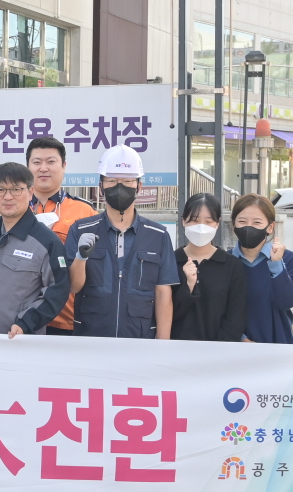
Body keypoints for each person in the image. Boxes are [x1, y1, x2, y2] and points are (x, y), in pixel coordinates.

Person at [64, 145, 179, 339]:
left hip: (140, 338)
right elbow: (73, 287)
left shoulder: (158, 235)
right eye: (111, 181)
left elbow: (162, 293)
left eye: (127, 181)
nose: (119, 187)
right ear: (101, 186)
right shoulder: (81, 229)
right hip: (91, 338)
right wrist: (81, 257)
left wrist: (162, 343)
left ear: (139, 186)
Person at [0, 163, 70, 337]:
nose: (8, 197)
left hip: (17, 339)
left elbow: (57, 290)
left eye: (16, 189)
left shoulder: (46, 241)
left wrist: (27, 323)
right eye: (0, 190)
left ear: (30, 192)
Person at [25, 136, 97, 335]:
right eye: (37, 162)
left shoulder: (85, 211)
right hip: (21, 316)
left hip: (67, 318)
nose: (43, 168)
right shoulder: (13, 210)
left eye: (51, 161)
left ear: (64, 166)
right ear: (28, 167)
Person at [171, 193, 247, 342]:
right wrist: (188, 287)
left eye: (208, 221)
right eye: (194, 220)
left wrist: (219, 348)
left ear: (217, 223)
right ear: (183, 221)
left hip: (220, 351)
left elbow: (236, 317)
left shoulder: (231, 265)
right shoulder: (171, 261)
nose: (201, 227)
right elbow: (165, 313)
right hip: (178, 349)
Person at [229, 194, 293, 344]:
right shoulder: (226, 261)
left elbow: (286, 302)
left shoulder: (287, 259)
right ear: (233, 224)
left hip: (279, 347)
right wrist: (241, 339)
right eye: (242, 221)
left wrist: (276, 264)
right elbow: (218, 309)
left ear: (270, 227)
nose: (248, 227)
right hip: (236, 348)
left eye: (257, 222)